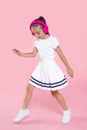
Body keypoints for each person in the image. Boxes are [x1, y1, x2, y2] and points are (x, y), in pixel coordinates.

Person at [12, 16, 74, 124]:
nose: (36, 35)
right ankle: (24, 110)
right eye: (33, 33)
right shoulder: (37, 41)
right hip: (41, 68)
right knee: (29, 88)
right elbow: (33, 54)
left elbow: (61, 55)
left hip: (50, 68)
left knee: (54, 93)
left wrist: (68, 67)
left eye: (37, 32)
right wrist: (21, 54)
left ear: (44, 28)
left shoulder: (53, 40)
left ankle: (66, 110)